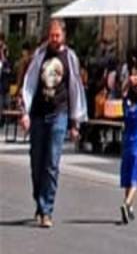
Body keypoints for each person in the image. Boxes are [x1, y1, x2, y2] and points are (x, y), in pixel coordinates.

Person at [19, 19, 88, 228]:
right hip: (39, 115)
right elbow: (29, 84)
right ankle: (39, 199)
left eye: (58, 36)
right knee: (36, 161)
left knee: (52, 163)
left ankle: (46, 209)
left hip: (59, 114)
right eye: (52, 36)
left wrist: (75, 122)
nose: (55, 39)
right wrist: (25, 113)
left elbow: (75, 88)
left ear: (64, 36)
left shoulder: (69, 57)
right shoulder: (40, 55)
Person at [119, 69, 137, 224]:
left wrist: (129, 82)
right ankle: (126, 203)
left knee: (127, 177)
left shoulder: (127, 107)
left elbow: (123, 91)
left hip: (126, 145)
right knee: (135, 180)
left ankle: (129, 205)